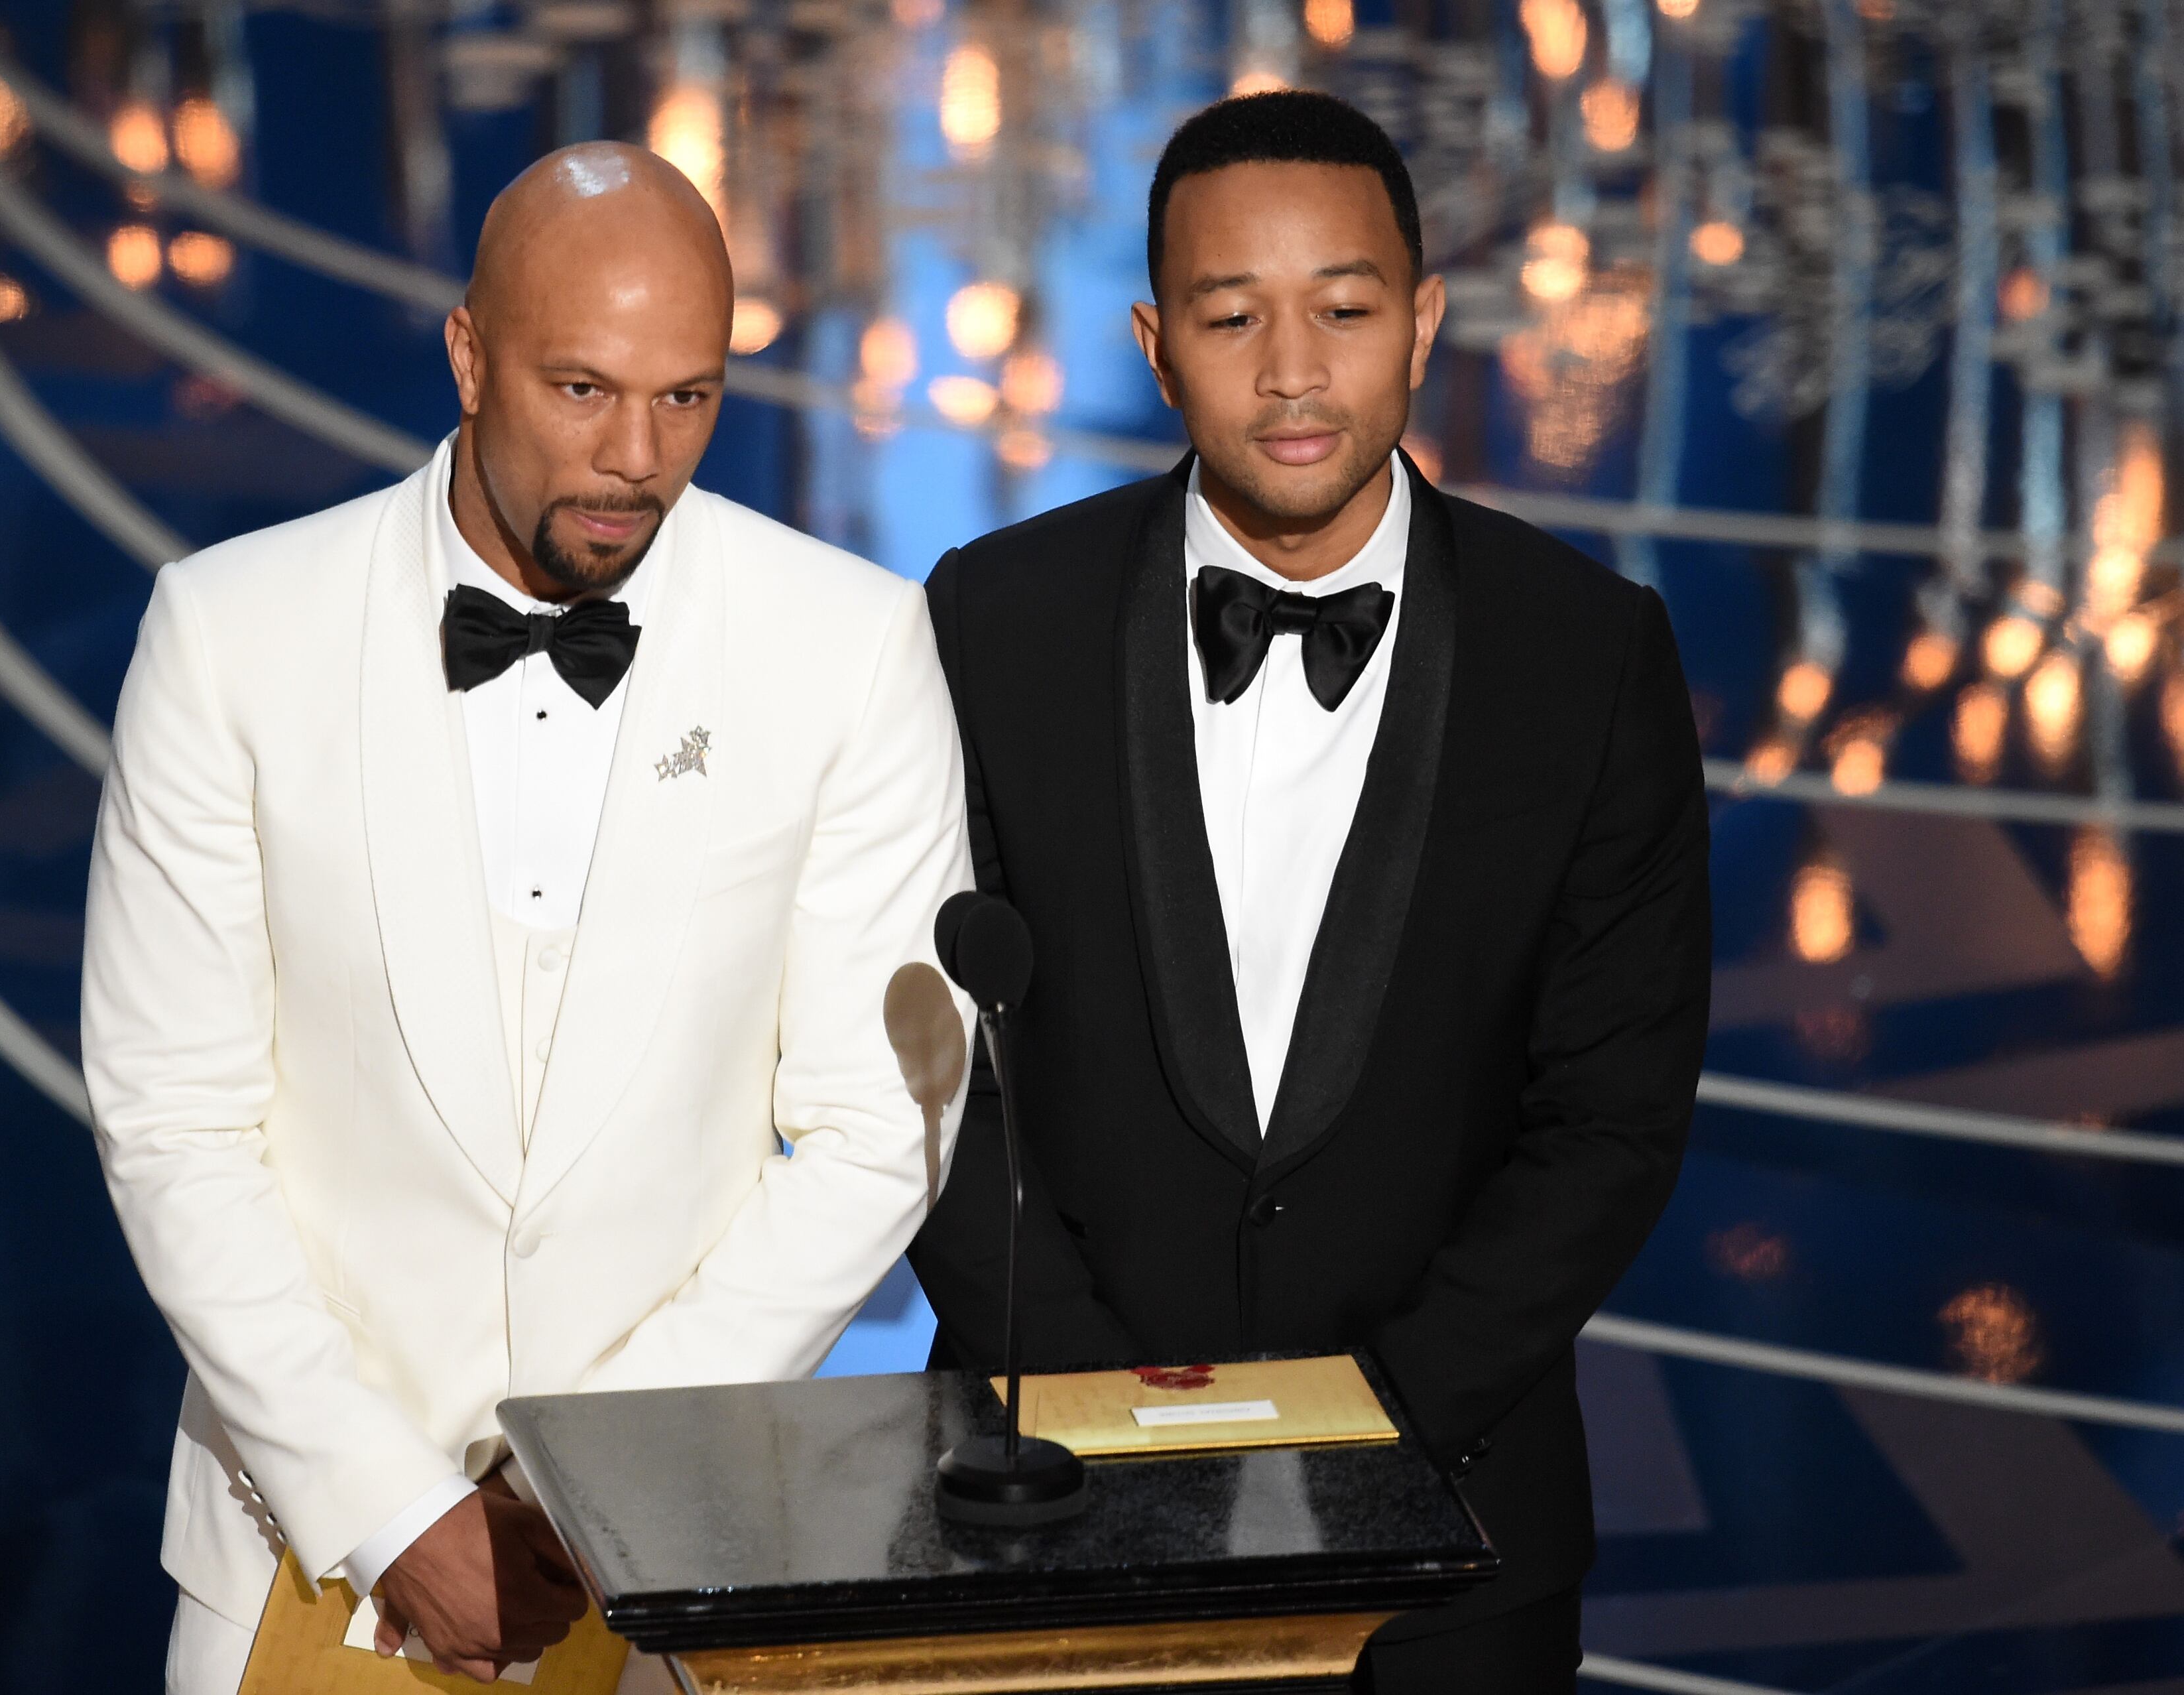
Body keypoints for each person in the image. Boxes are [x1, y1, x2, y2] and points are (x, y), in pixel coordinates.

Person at [82, 142, 973, 1695]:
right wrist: (389, 1506)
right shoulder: (229, 635)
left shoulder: (851, 646)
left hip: (664, 1579)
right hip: (301, 1566)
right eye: (582, 390)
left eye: (687, 397)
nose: (637, 457)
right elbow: (172, 1119)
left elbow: (878, 1124)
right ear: (471, 355)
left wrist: (593, 1483)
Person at [908, 90, 1708, 1694]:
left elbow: (1611, 1116)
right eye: (1231, 315)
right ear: (1152, 340)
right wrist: (1092, 1402)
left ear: (1420, 323)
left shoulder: (1588, 655)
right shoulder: (994, 621)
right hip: (1052, 1509)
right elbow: (930, 1065)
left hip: (1453, 1536)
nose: (1290, 370)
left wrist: (1368, 1426)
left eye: (1342, 310)